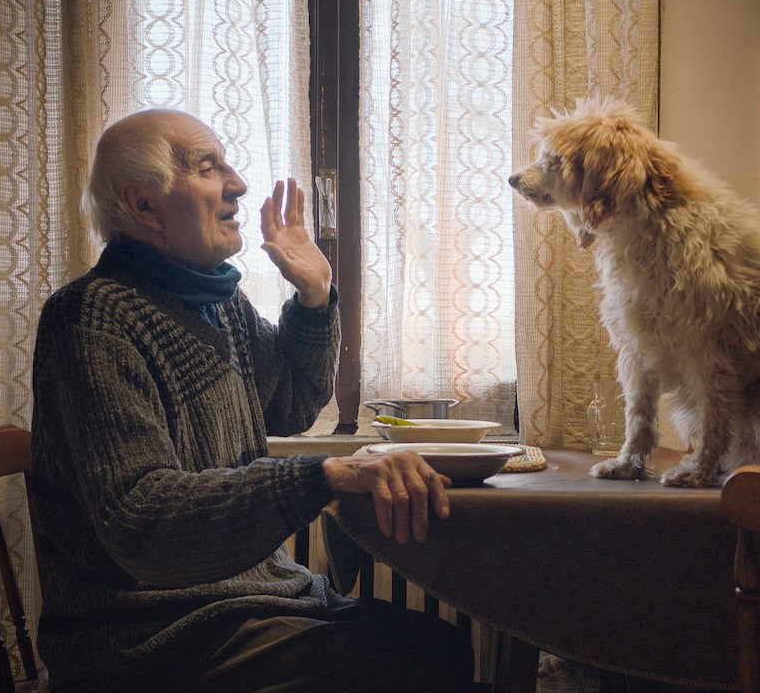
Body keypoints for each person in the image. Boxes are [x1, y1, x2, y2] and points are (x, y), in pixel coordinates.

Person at [28, 109, 475, 693]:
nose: (238, 184)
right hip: (146, 641)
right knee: (416, 660)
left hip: (243, 607)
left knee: (437, 646)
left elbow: (289, 403)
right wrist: (325, 475)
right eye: (208, 168)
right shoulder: (92, 318)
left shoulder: (215, 304)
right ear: (142, 206)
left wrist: (314, 297)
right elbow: (142, 520)